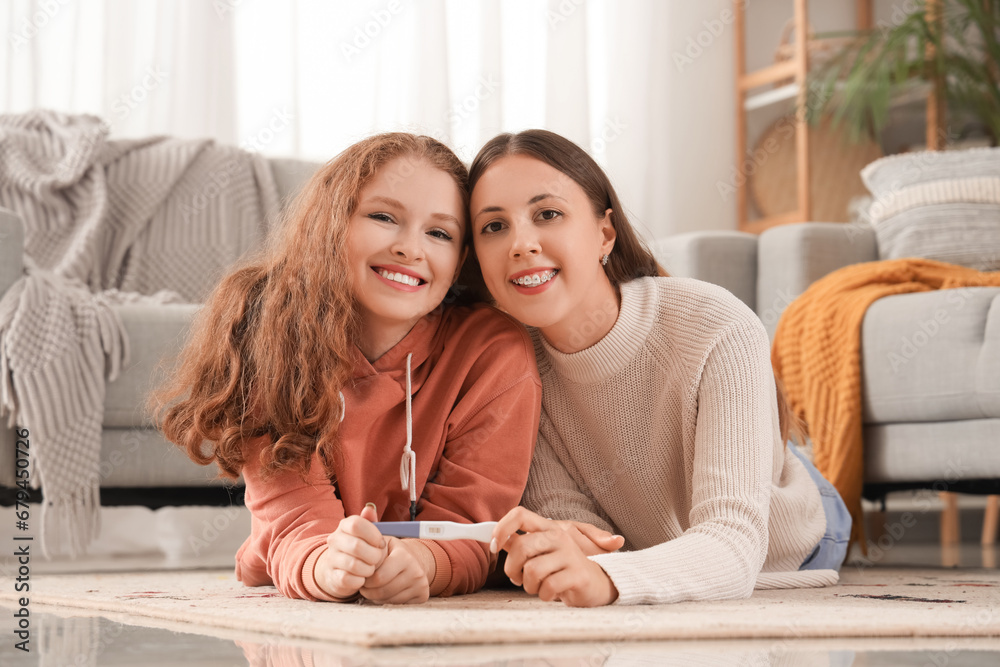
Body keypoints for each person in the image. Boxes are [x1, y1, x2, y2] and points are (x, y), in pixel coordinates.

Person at [152, 133, 543, 604]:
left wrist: (423, 563)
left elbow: (472, 522)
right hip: (304, 550)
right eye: (384, 217)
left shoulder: (493, 351)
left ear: (460, 260)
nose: (410, 249)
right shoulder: (271, 328)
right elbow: (293, 516)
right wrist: (328, 564)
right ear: (332, 223)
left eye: (439, 233)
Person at [469, 129, 851, 607]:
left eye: (548, 214)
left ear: (605, 234)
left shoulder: (718, 324)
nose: (521, 244)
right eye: (494, 226)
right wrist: (568, 546)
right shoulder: (510, 366)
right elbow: (586, 535)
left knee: (765, 473)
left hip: (789, 522)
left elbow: (734, 544)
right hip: (661, 522)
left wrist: (605, 577)